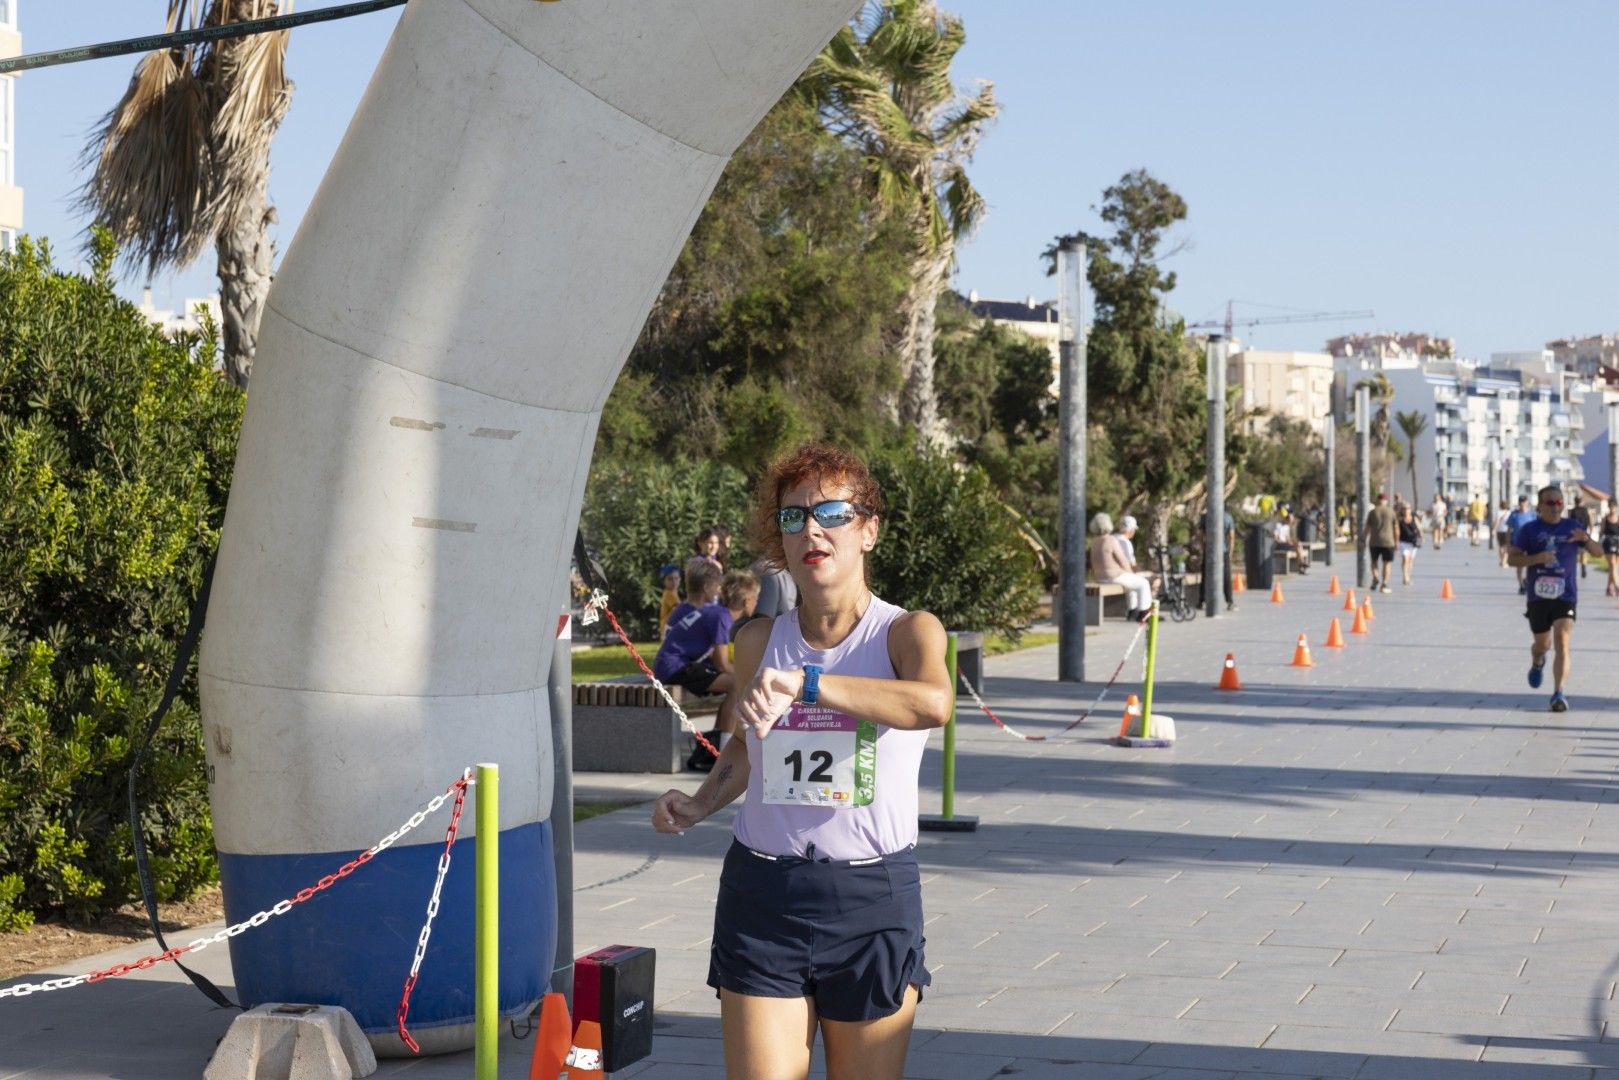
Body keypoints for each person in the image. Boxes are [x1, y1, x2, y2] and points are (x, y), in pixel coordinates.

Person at [650, 444, 950, 1080]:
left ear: (868, 530)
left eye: (832, 512)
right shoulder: (759, 639)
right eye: (793, 518)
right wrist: (699, 803)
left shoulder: (907, 632)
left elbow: (932, 703)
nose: (811, 529)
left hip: (872, 900)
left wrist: (809, 684)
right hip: (764, 896)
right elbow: (747, 748)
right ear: (779, 544)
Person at [1505, 485, 1602, 712]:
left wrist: (1586, 539)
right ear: (1539, 506)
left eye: (1559, 503)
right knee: (1543, 644)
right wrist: (1537, 558)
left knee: (1562, 640)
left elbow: (1598, 553)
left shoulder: (1572, 527)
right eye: (1550, 503)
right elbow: (1512, 560)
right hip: (1538, 596)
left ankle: (1559, 693)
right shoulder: (1529, 529)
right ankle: (1537, 661)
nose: (1556, 507)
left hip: (1565, 595)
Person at [654, 559, 742, 771]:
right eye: (717, 585)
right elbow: (721, 662)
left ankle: (712, 747)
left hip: (676, 664)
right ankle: (720, 751)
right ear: (706, 587)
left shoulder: (692, 610)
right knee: (736, 685)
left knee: (732, 684)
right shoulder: (712, 613)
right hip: (676, 666)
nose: (720, 590)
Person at [1090, 512, 1152, 622]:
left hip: (1099, 577)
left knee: (1131, 584)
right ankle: (1144, 613)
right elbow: (1123, 560)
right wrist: (1130, 573)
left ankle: (1132, 611)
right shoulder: (1110, 540)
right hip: (1113, 576)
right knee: (1143, 583)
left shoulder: (1095, 542)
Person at [1362, 492, 1398, 593]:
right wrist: (1397, 541)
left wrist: (1363, 539)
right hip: (1388, 542)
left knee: (1374, 562)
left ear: (1378, 500)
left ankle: (1375, 577)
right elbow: (1396, 529)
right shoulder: (1391, 512)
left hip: (1374, 542)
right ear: (1386, 501)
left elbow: (1367, 528)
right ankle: (1384, 583)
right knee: (1387, 563)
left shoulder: (1372, 512)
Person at [1503, 495, 1536, 593]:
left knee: (1530, 564)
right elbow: (1508, 530)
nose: (1522, 504)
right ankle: (1521, 585)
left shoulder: (1532, 515)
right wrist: (1508, 544)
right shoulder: (1514, 515)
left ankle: (1526, 580)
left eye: (1524, 502)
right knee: (1519, 565)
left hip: (1530, 544)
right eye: (1520, 502)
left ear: (1527, 503)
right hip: (1517, 544)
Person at [1396, 502, 1423, 585]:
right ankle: (1405, 577)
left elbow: (1419, 528)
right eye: (1404, 508)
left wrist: (1421, 537)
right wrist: (1396, 541)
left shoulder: (1414, 518)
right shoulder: (1399, 519)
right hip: (1403, 542)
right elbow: (1396, 530)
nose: (1406, 510)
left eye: (1407, 508)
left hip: (1413, 542)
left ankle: (1408, 575)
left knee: (1410, 561)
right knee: (1405, 559)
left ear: (1410, 510)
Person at [657, 562, 682, 639]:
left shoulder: (673, 592)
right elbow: (680, 608)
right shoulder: (669, 594)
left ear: (680, 579)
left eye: (676, 578)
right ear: (664, 581)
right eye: (670, 579)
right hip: (668, 628)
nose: (674, 582)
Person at [1571, 496, 1593, 579]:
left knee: (1575, 552)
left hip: (1575, 533)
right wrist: (1590, 531)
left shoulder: (1573, 511)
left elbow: (1570, 522)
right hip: (1584, 532)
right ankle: (1583, 565)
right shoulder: (1586, 510)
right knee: (1584, 552)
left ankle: (1574, 567)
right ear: (1581, 501)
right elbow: (1590, 522)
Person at [1601, 503, 1619, 597]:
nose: (1612, 509)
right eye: (1611, 506)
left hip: (1617, 542)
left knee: (1614, 567)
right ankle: (1617, 586)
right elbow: (1601, 531)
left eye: (1614, 507)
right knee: (1612, 564)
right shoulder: (1605, 519)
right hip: (1608, 542)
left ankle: (1608, 587)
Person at [1494, 501, 1513, 567]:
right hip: (1507, 531)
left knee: (1501, 546)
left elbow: (1496, 521)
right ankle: (1504, 562)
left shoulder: (1499, 512)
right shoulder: (1510, 513)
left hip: (1499, 531)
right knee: (1506, 547)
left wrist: (1494, 529)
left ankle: (1502, 560)